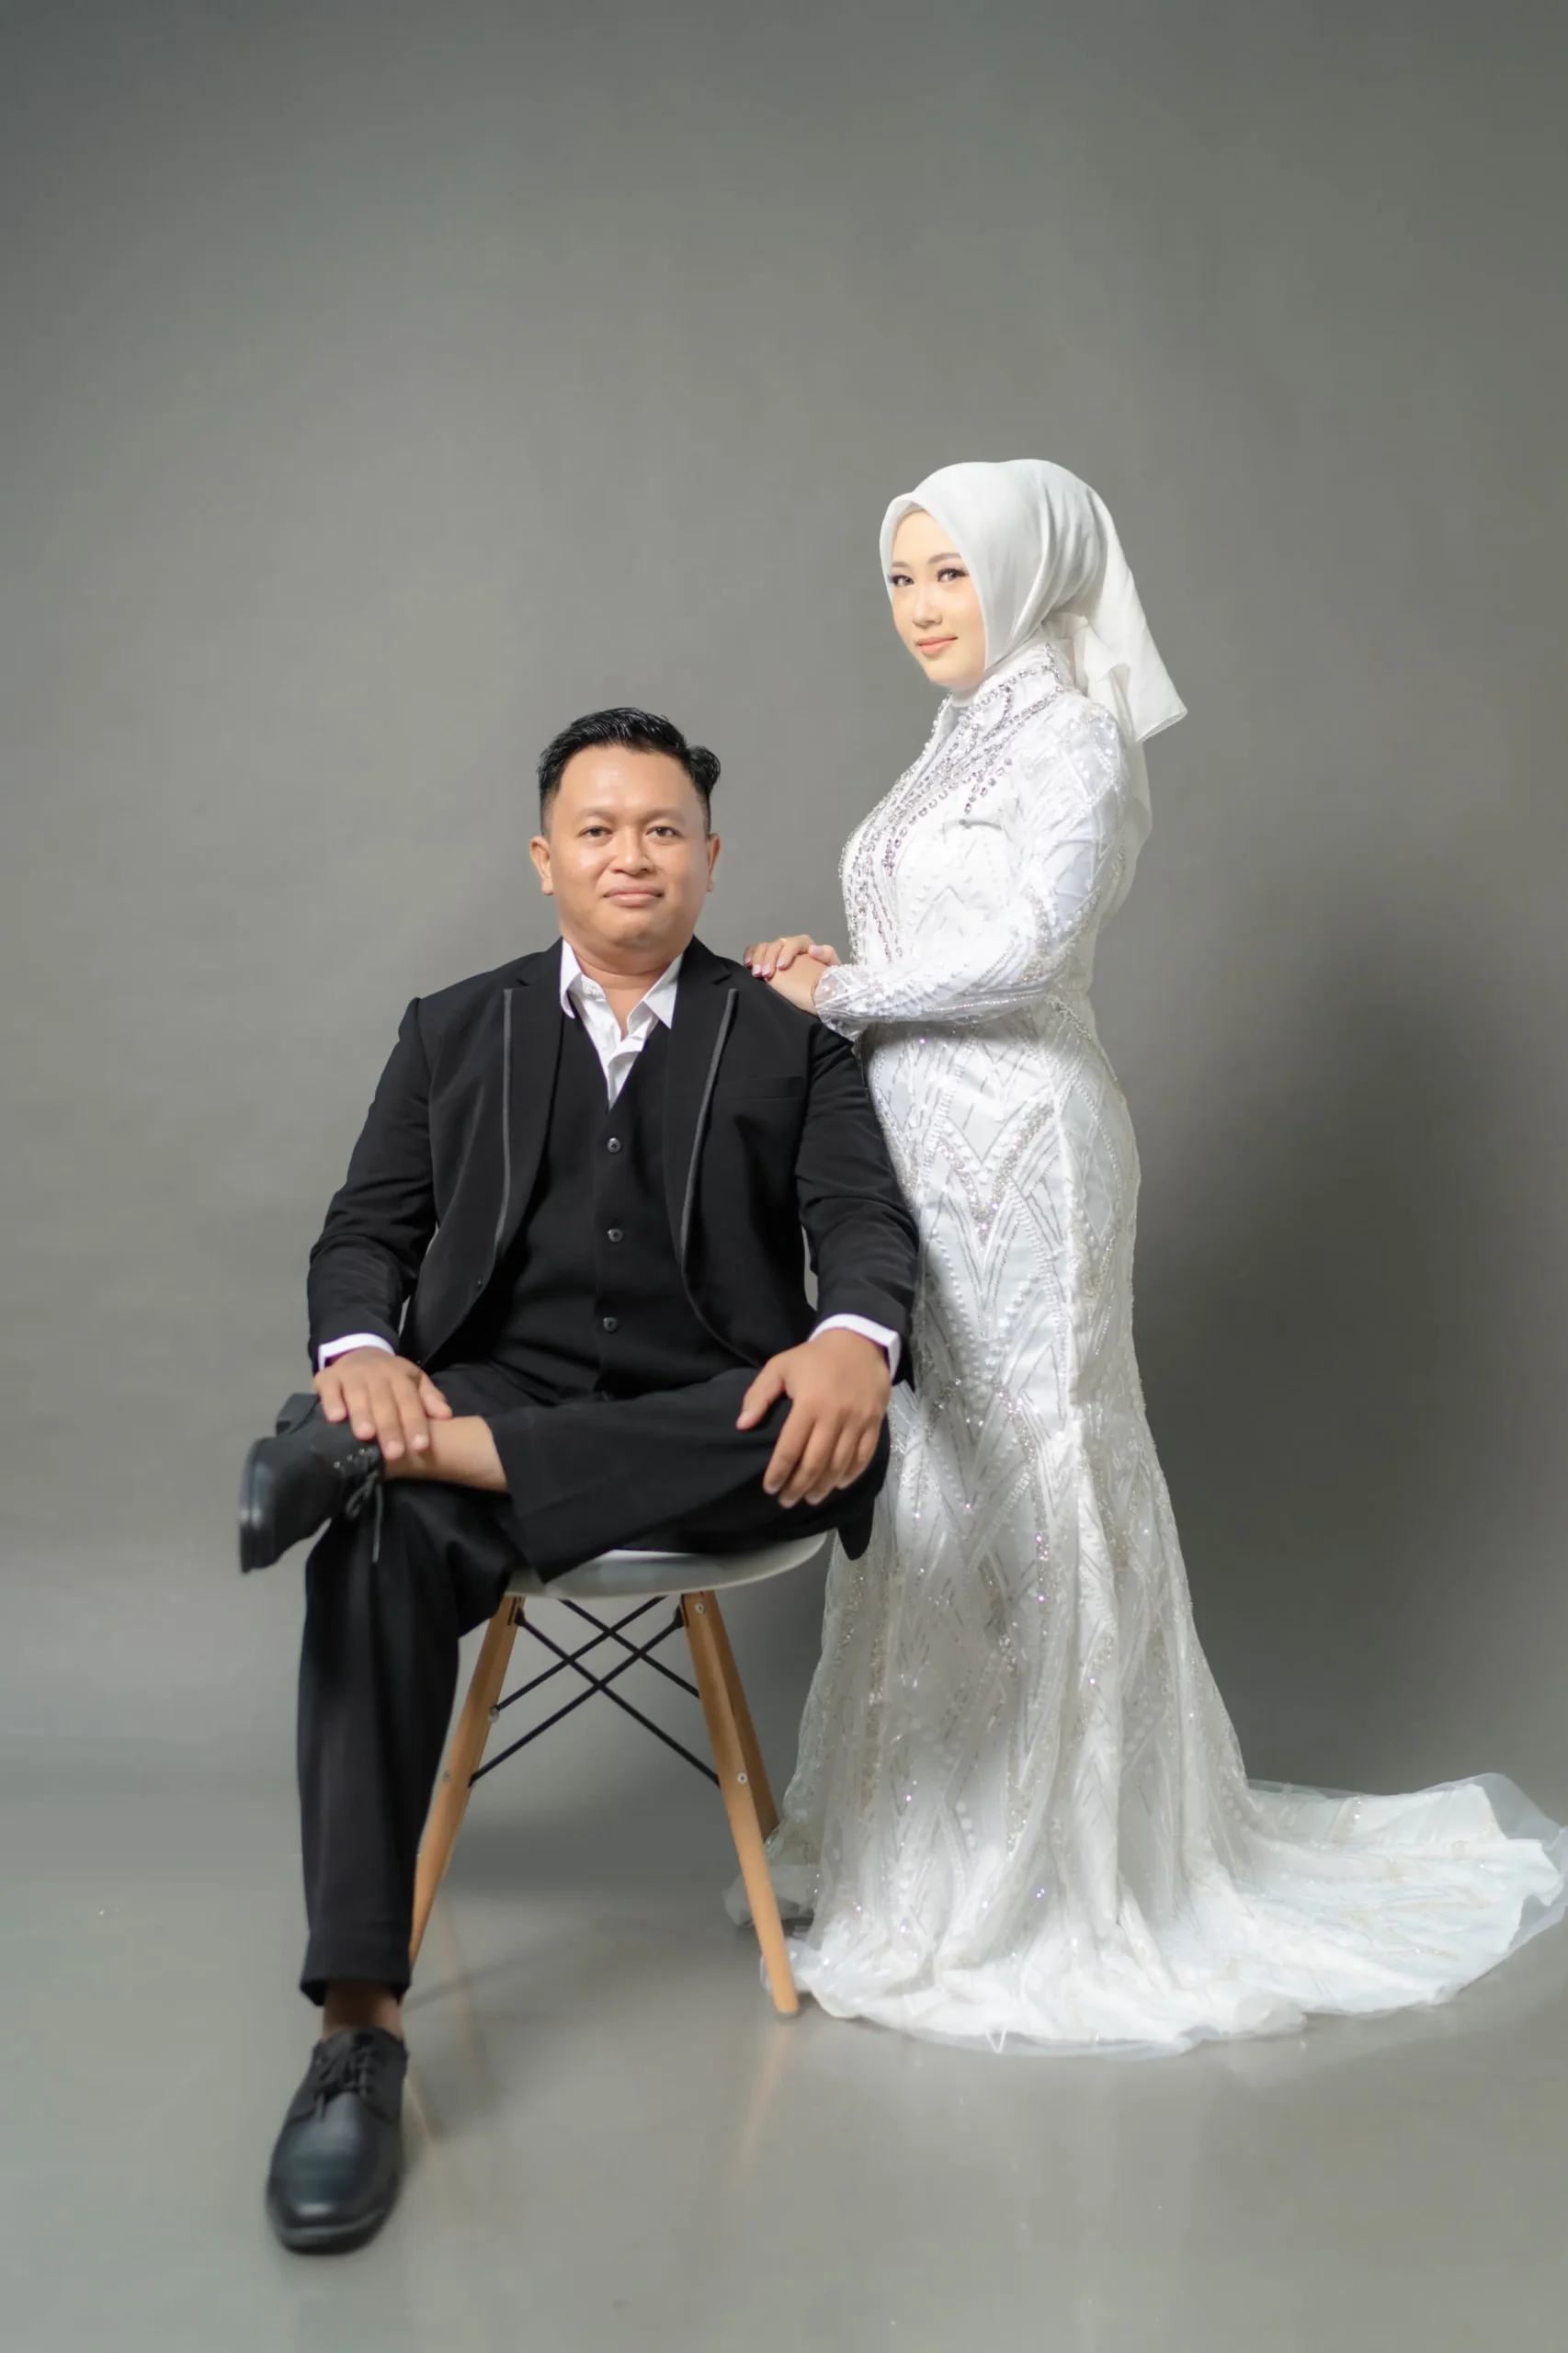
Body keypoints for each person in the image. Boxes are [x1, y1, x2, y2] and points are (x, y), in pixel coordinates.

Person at [742, 459, 1566, 2053]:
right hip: (913, 1135)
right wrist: (836, 972)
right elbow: (926, 940)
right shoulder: (959, 731)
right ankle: (927, 1837)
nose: (920, 608)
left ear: (1027, 570)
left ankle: (1066, 1863)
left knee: (1041, 1454)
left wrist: (835, 995)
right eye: (901, 577)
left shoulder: (1071, 731)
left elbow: (1028, 953)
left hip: (1025, 1142)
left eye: (950, 574)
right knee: (937, 1461)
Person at [238, 706, 917, 2250]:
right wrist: (361, 1353)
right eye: (598, 830)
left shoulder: (791, 1040)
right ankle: (356, 2036)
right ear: (544, 857)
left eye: (662, 830)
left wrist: (853, 1337)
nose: (631, 856)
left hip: (715, 1424)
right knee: (374, 1550)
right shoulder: (450, 1029)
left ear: (709, 859)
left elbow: (863, 1224)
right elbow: (365, 1233)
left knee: (806, 1415)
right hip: (496, 1386)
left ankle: (373, 1456)